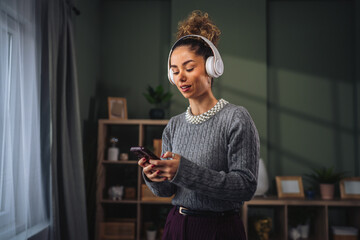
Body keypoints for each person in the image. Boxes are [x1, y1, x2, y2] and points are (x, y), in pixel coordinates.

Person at [138, 10, 259, 240]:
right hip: (175, 224)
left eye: (189, 68)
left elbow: (245, 186)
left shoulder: (236, 118)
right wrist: (154, 176)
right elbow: (167, 192)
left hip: (219, 229)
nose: (180, 77)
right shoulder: (173, 126)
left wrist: (184, 170)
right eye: (175, 71)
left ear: (213, 68)